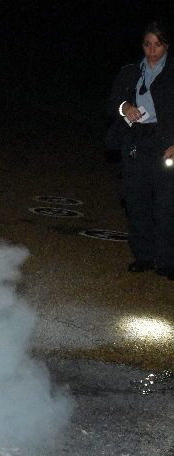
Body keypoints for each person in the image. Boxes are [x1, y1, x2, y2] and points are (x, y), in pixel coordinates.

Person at [108, 21, 174, 280]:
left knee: (166, 204)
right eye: (147, 44)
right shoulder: (131, 71)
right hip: (136, 141)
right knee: (137, 201)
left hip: (165, 144)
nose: (152, 50)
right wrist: (125, 107)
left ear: (166, 45)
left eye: (157, 45)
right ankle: (143, 256)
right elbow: (112, 102)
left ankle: (167, 260)